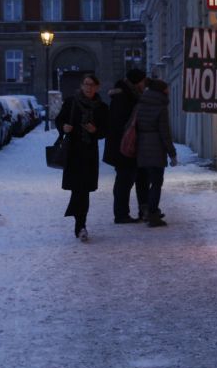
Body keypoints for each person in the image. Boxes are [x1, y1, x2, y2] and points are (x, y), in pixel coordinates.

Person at [54, 73, 108, 241]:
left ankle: (79, 222)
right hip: (73, 152)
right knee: (79, 190)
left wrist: (95, 131)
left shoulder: (102, 108)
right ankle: (81, 226)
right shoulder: (71, 102)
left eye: (92, 84)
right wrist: (64, 127)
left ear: (97, 87)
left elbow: (106, 130)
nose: (88, 87)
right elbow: (59, 120)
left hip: (89, 153)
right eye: (86, 84)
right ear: (82, 85)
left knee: (84, 190)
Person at [102, 67, 149, 224]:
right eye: (143, 81)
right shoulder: (124, 97)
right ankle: (121, 214)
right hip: (123, 147)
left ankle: (138, 210)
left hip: (127, 145)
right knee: (125, 180)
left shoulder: (128, 95)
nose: (145, 84)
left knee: (132, 178)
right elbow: (121, 124)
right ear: (137, 82)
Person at [134, 78, 177, 228]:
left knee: (145, 181)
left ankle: (146, 210)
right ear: (162, 90)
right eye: (167, 88)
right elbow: (164, 132)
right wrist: (172, 152)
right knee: (157, 182)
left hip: (141, 146)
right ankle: (153, 215)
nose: (169, 91)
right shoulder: (160, 106)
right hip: (156, 147)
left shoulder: (141, 104)